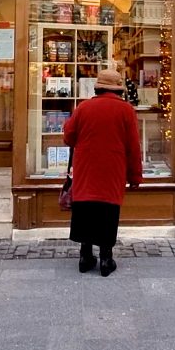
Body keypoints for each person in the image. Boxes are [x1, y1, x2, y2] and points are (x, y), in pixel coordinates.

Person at [63, 68, 143, 276]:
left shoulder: (83, 107)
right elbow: (133, 146)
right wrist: (135, 176)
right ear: (119, 89)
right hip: (112, 170)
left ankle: (85, 256)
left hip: (87, 168)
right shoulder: (126, 110)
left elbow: (69, 137)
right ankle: (106, 259)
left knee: (86, 208)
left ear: (98, 87)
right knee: (108, 210)